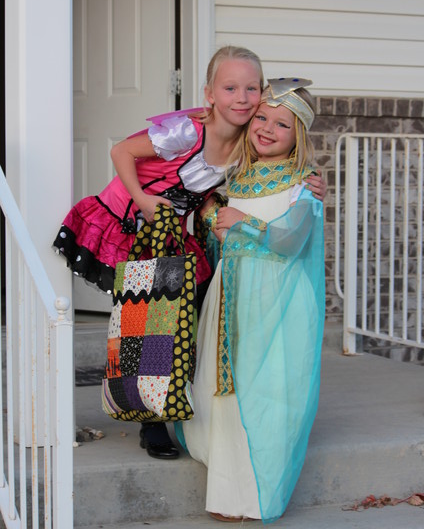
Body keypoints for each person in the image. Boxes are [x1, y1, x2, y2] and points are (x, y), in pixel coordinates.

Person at [53, 48, 326, 460]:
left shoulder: (244, 142)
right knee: (146, 320)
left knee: (191, 310)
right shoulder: (186, 130)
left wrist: (311, 179)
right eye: (230, 87)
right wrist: (143, 198)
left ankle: (177, 398)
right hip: (132, 221)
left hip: (171, 233)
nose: (242, 97)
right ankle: (150, 422)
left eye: (251, 88)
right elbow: (121, 152)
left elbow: (270, 164)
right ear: (209, 94)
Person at [179, 78, 326, 522]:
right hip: (233, 292)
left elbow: (290, 240)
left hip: (277, 298)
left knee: (266, 391)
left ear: (297, 136)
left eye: (281, 124)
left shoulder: (304, 184)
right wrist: (212, 219)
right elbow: (216, 226)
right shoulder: (238, 176)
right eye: (261, 117)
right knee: (225, 389)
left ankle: (252, 495)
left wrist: (242, 222)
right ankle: (228, 491)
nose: (265, 127)